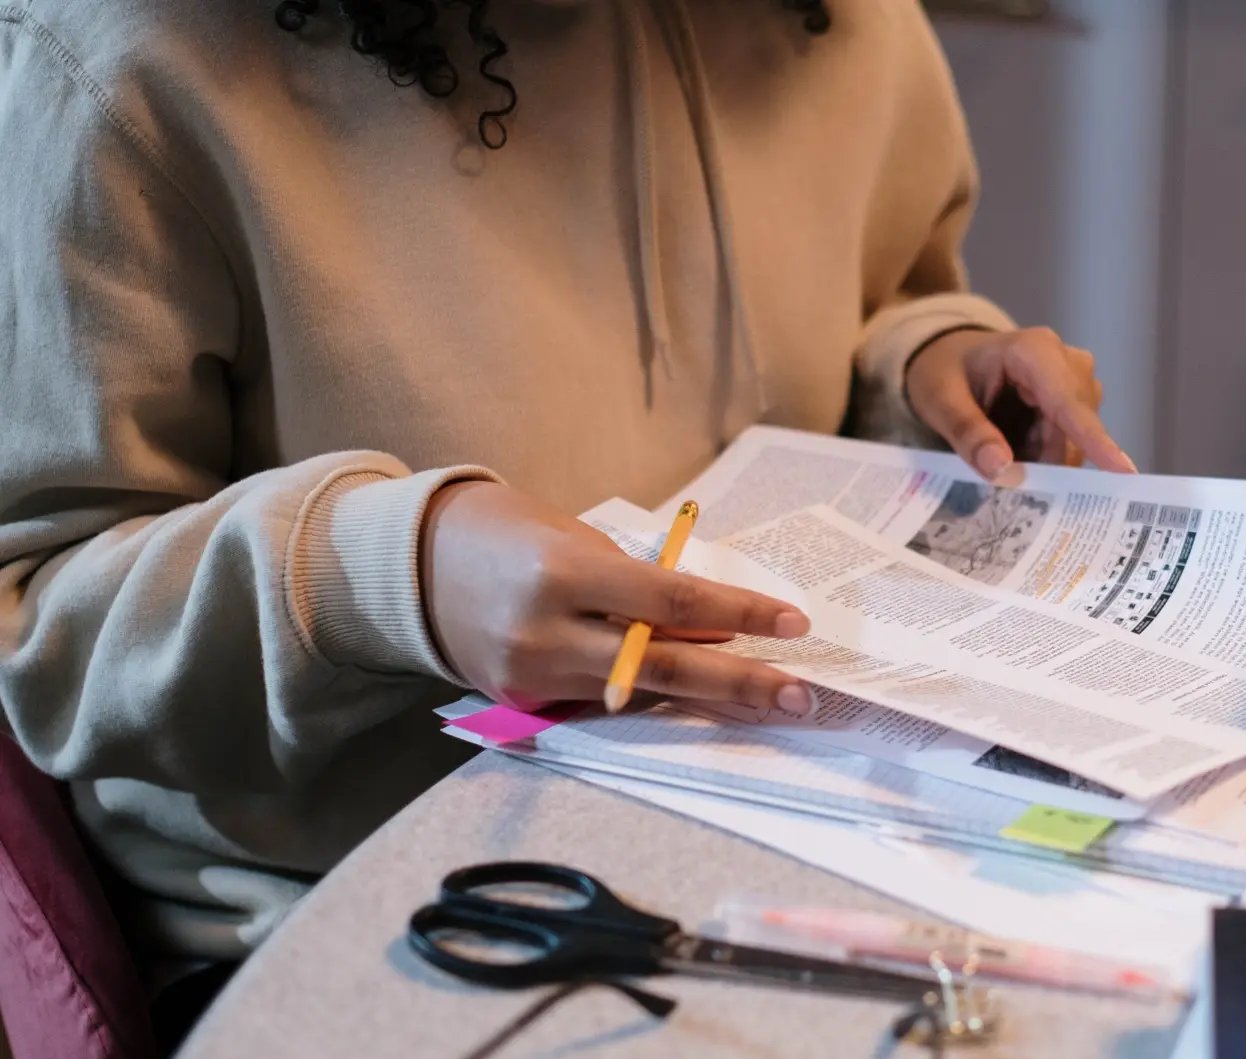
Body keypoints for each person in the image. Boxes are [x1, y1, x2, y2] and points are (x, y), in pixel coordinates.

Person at [0, 0, 1132, 990]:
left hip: (795, 815)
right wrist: (387, 577)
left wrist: (929, 367)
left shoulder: (839, 23)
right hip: (372, 913)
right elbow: (39, 626)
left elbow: (873, 307)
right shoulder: (121, 58)